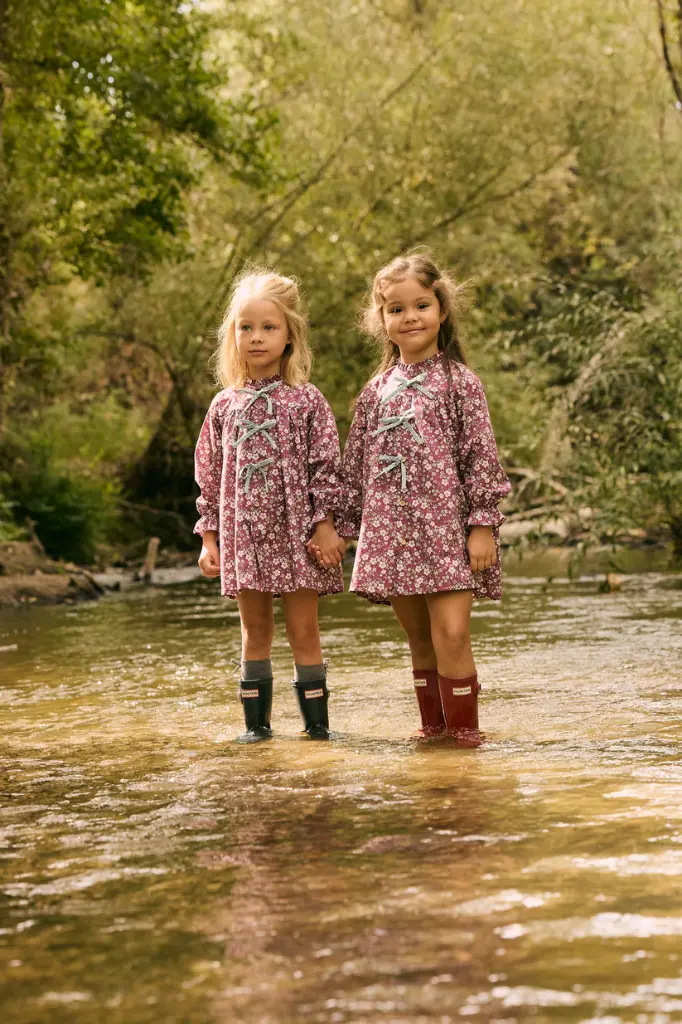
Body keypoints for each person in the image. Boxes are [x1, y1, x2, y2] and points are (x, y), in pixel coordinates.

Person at [333, 252, 510, 744]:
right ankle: (433, 733)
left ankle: (466, 737)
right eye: (396, 309)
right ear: (381, 320)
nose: (410, 317)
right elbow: (355, 471)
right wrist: (342, 530)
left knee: (451, 633)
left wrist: (482, 526)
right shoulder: (374, 392)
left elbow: (480, 458)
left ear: (441, 310)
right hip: (392, 535)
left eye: (421, 305)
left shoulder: (460, 383)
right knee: (419, 638)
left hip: (448, 533)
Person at [194, 270, 346, 743]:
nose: (256, 337)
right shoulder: (224, 406)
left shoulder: (307, 400)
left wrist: (325, 525)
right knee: (254, 631)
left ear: (290, 336)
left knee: (304, 630)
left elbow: (327, 467)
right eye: (246, 327)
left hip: (297, 536)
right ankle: (256, 732)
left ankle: (316, 731)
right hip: (244, 540)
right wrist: (208, 538)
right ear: (232, 335)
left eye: (269, 327)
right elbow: (209, 476)